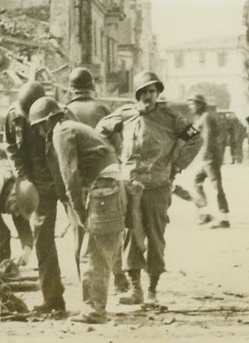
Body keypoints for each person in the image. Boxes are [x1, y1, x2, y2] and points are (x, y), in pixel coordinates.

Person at [96, 70, 198, 307]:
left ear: (158, 93)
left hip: (158, 186)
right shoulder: (125, 115)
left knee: (155, 236)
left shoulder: (170, 117)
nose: (148, 96)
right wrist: (113, 157)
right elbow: (100, 130)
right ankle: (136, 289)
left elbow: (194, 138)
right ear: (137, 94)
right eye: (144, 92)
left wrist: (177, 164)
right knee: (131, 234)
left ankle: (153, 290)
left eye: (152, 91)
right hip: (131, 185)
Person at [29, 97, 125, 324]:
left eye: (40, 126)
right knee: (97, 250)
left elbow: (69, 174)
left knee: (92, 253)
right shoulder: (73, 127)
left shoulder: (61, 132)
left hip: (102, 187)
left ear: (48, 121)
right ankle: (95, 307)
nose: (41, 132)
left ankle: (94, 311)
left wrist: (78, 210)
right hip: (111, 184)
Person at [4, 79, 66, 315]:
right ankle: (53, 299)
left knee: (84, 240)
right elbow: (10, 146)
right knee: (43, 241)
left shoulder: (58, 113)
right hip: (38, 184)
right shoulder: (12, 116)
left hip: (61, 177)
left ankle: (91, 299)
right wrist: (23, 177)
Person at [188, 93, 230, 228]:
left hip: (210, 158)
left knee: (216, 186)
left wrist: (207, 157)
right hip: (205, 159)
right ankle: (205, 213)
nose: (190, 106)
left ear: (200, 104)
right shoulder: (199, 118)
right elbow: (189, 134)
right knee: (197, 183)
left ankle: (224, 218)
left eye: (193, 103)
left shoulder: (206, 118)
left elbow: (208, 137)